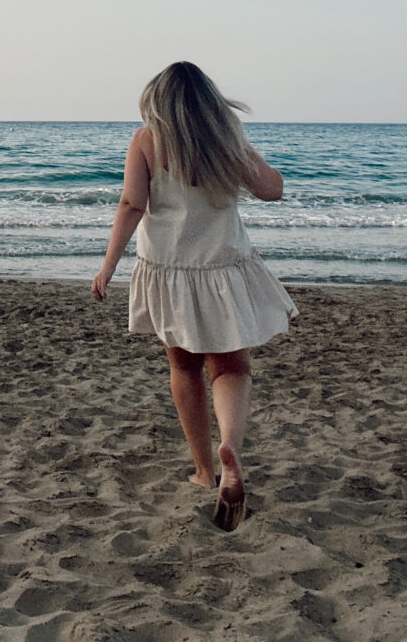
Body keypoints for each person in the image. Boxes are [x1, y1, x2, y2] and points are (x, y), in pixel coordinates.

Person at [91, 61, 296, 531]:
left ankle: (204, 471)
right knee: (230, 367)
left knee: (183, 366)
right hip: (222, 266)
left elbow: (131, 204)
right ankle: (230, 447)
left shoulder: (146, 140)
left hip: (169, 270)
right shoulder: (227, 138)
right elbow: (273, 190)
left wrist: (108, 266)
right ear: (208, 100)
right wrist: (239, 147)